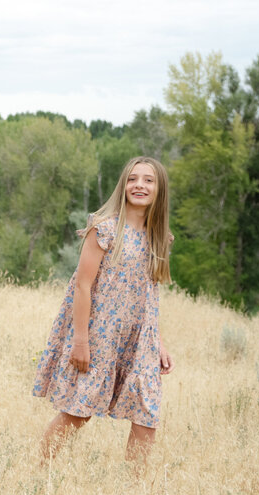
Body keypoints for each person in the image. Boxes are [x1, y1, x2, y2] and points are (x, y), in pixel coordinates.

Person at [33, 156, 174, 465]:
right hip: (100, 335)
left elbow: (150, 295)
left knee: (147, 413)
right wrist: (80, 341)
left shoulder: (160, 238)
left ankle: (133, 492)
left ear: (159, 189)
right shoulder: (105, 230)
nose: (139, 185)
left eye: (148, 180)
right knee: (79, 412)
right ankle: (37, 471)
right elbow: (83, 287)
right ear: (123, 185)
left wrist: (158, 342)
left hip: (140, 341)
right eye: (133, 178)